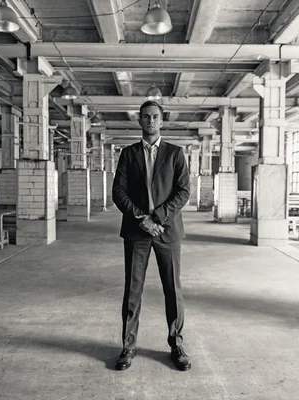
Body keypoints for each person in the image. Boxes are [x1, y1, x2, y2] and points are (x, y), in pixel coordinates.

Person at [112, 100, 191, 371]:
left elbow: (183, 192)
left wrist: (157, 217)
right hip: (137, 232)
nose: (150, 121)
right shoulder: (128, 154)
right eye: (146, 117)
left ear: (162, 120)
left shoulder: (175, 153)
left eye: (155, 117)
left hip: (167, 231)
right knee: (133, 290)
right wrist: (141, 219)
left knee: (173, 290)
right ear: (139, 120)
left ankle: (177, 343)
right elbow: (118, 192)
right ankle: (128, 345)